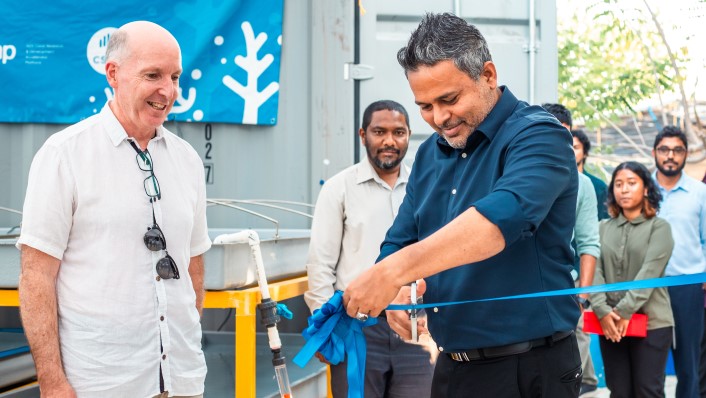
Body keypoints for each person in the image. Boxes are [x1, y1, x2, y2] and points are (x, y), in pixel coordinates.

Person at [343, 13, 582, 397]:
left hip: (531, 369)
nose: (439, 119)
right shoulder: (430, 155)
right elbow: (401, 237)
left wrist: (391, 273)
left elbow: (502, 218)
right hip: (452, 366)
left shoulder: (540, 136)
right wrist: (397, 291)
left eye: (449, 100)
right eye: (425, 106)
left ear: (488, 74)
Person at [17, 21, 210, 398]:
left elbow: (194, 266)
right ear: (114, 74)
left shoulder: (186, 159)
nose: (167, 91)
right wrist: (52, 381)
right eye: (152, 75)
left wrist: (179, 344)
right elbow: (36, 277)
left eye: (174, 76)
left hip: (182, 380)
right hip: (100, 384)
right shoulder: (64, 155)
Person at [304, 100, 435, 397]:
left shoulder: (426, 187)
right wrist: (325, 329)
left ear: (408, 135)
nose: (389, 141)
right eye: (379, 131)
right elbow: (320, 265)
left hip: (415, 328)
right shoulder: (339, 188)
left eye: (399, 132)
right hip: (357, 329)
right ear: (363, 135)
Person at [591, 161, 674, 398]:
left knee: (648, 390)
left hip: (652, 322)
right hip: (608, 323)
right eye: (618, 184)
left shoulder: (660, 228)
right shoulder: (602, 228)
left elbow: (649, 273)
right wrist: (603, 311)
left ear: (646, 188)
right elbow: (595, 271)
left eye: (631, 183)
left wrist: (623, 311)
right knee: (619, 391)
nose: (624, 189)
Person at [541, 103, 601, 397]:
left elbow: (589, 243)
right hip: (523, 294)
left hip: (565, 288)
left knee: (563, 379)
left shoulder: (584, 185)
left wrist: (582, 298)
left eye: (563, 136)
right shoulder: (512, 175)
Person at [651, 125, 706, 398]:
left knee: (689, 364)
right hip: (648, 289)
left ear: (685, 154)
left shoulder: (699, 192)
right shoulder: (642, 189)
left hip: (688, 287)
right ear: (654, 153)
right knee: (651, 366)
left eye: (677, 150)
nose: (670, 155)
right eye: (664, 149)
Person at [572, 128, 609, 220]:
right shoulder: (555, 184)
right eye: (568, 147)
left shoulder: (599, 186)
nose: (571, 151)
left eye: (576, 147)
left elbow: (603, 221)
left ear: (585, 153)